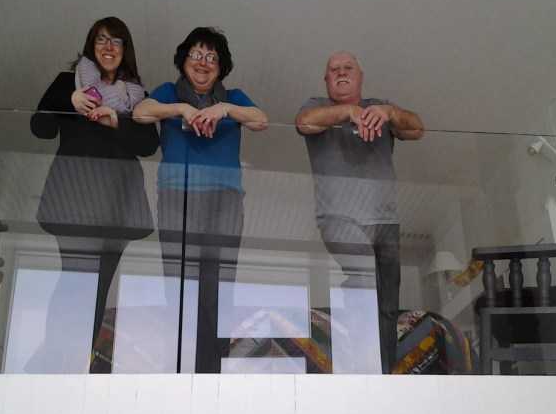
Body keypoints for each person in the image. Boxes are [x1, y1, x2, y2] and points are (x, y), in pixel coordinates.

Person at [133, 26, 267, 373]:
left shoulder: (233, 96)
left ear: (220, 67)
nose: (203, 62)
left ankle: (210, 372)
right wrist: (181, 109)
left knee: (219, 288)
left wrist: (223, 109)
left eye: (212, 57)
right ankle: (178, 367)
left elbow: (261, 120)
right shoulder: (167, 91)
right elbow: (140, 113)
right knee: (179, 283)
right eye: (197, 54)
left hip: (225, 199)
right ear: (184, 60)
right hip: (179, 194)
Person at [30, 17, 159, 373]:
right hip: (76, 197)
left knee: (99, 287)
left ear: (124, 50)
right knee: (76, 280)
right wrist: (70, 101)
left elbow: (149, 144)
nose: (108, 46)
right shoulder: (67, 83)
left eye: (116, 41)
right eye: (101, 39)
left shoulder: (136, 96)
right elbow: (39, 127)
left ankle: (73, 365)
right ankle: (58, 364)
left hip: (118, 201)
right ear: (91, 45)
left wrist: (117, 121)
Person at [295, 51, 424, 374]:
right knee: (364, 272)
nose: (341, 72)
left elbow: (417, 129)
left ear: (360, 77)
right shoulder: (316, 107)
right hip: (337, 218)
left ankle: (381, 372)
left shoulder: (380, 108)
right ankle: (356, 364)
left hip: (386, 222)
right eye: (334, 69)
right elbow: (304, 123)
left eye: (348, 68)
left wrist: (389, 112)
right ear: (326, 81)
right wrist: (348, 111)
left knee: (387, 302)